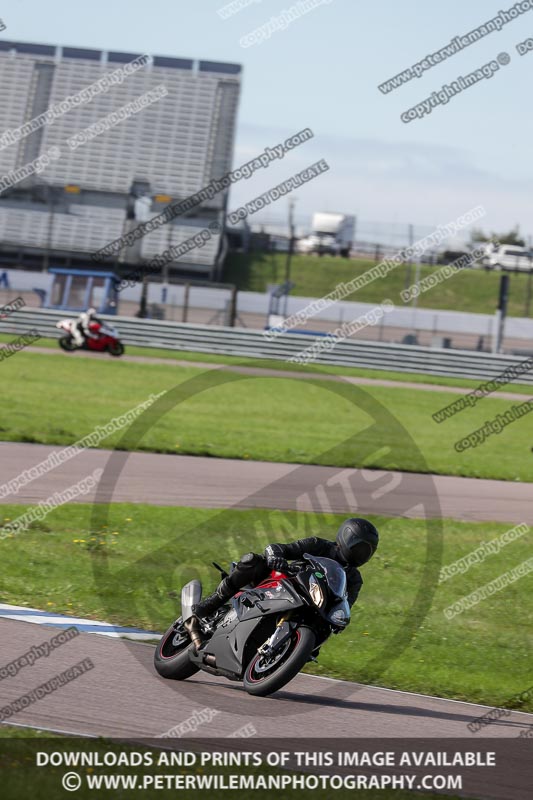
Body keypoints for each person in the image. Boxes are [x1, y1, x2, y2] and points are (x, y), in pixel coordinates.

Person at [187, 518, 379, 638]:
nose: (361, 554)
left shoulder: (354, 579)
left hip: (312, 605)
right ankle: (211, 603)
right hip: (285, 582)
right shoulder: (318, 545)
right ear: (345, 538)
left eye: (367, 552)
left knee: (324, 628)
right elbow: (281, 548)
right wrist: (275, 557)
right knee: (253, 561)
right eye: (359, 548)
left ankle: (291, 650)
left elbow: (345, 603)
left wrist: (340, 618)